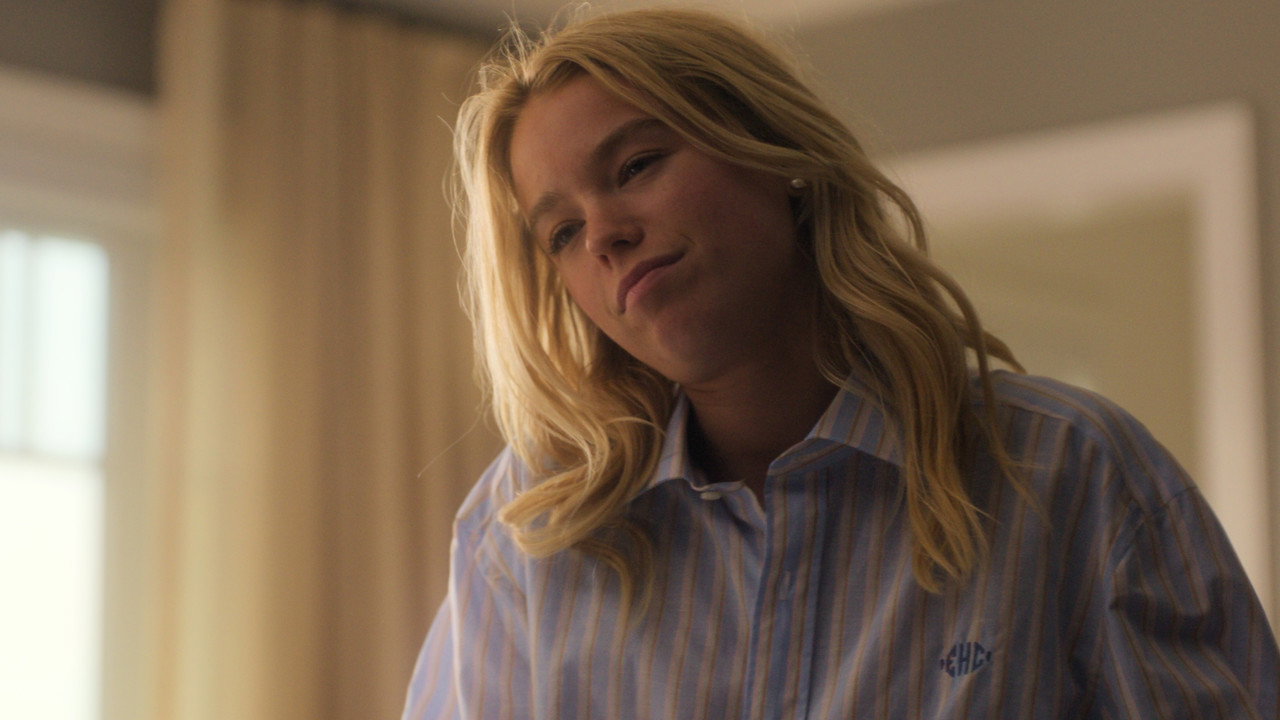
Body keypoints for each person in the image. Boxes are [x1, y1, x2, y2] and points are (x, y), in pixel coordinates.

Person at [402, 8, 1278, 719]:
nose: (604, 235)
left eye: (637, 165)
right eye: (561, 232)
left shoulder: (1069, 475)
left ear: (777, 155)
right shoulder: (527, 540)